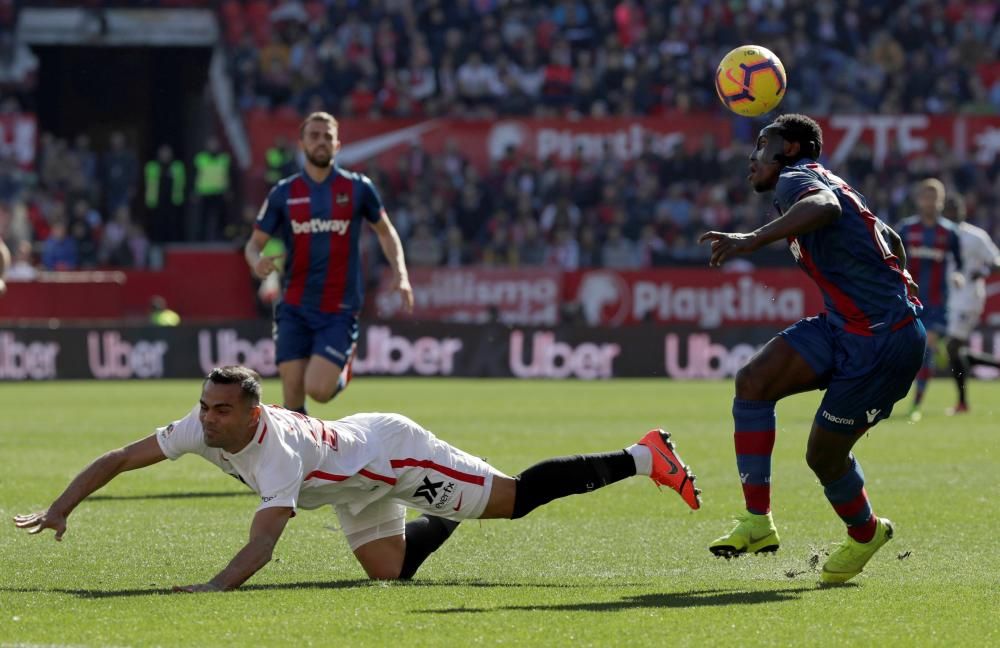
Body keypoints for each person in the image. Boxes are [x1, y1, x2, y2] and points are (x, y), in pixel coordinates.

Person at [13, 365, 701, 591]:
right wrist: (60, 506)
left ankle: (643, 456)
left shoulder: (274, 450)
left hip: (390, 456)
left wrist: (207, 590)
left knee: (513, 501)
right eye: (204, 408)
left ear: (256, 411)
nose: (207, 420)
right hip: (348, 482)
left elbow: (261, 549)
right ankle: (450, 512)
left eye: (221, 411)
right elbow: (114, 459)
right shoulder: (202, 427)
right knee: (388, 576)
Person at [698, 114, 925, 584]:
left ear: (794, 148)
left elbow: (825, 208)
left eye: (763, 145)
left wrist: (752, 239)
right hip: (846, 327)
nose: (752, 157)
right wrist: (898, 283)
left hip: (882, 345)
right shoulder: (829, 180)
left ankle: (866, 534)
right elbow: (894, 240)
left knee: (822, 456)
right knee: (753, 381)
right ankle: (757, 521)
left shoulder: (798, 179)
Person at [244, 112, 413, 415]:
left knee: (318, 390)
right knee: (292, 398)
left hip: (339, 308)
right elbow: (253, 245)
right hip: (294, 305)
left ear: (338, 145)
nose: (321, 142)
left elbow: (387, 233)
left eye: (327, 137)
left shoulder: (358, 188)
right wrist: (256, 263)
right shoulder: (283, 192)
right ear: (302, 144)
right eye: (314, 136)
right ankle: (302, 461)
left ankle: (343, 368)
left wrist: (401, 274)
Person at [896, 179, 963, 421]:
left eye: (935, 197)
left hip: (936, 304)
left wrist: (957, 276)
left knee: (927, 349)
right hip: (908, 301)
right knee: (905, 353)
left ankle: (916, 405)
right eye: (926, 196)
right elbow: (893, 262)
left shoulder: (949, 232)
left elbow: (959, 264)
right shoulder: (905, 229)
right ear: (918, 200)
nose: (930, 201)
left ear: (941, 201)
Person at [942, 194, 1000, 414]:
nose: (952, 211)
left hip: (968, 298)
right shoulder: (940, 234)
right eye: (948, 207)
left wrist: (983, 271)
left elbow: (996, 261)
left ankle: (963, 403)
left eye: (956, 207)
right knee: (957, 351)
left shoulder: (975, 236)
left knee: (952, 347)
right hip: (946, 299)